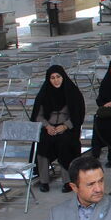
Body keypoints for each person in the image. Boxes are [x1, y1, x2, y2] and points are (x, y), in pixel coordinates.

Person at [31, 65, 86, 193]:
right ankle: (44, 180)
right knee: (42, 143)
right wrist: (47, 126)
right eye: (52, 78)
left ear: (63, 77)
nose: (56, 80)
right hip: (49, 128)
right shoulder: (44, 93)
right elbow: (38, 115)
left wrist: (65, 126)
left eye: (58, 77)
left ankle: (67, 181)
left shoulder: (72, 92)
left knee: (65, 144)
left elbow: (78, 115)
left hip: (68, 128)